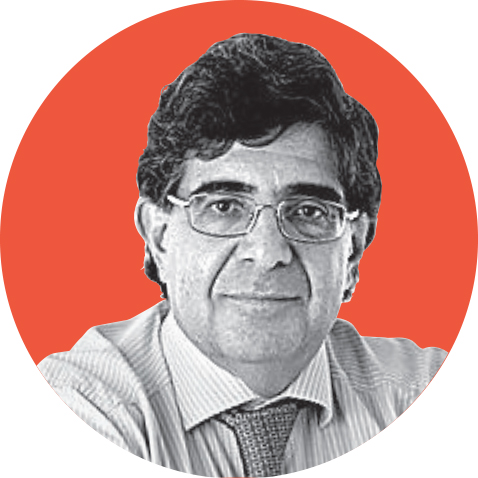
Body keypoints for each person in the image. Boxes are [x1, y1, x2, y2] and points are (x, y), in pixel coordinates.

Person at [39, 33, 446, 477]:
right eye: (224, 206)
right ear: (159, 237)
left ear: (353, 250)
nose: (268, 252)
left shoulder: (428, 395)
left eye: (309, 211)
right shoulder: (77, 408)